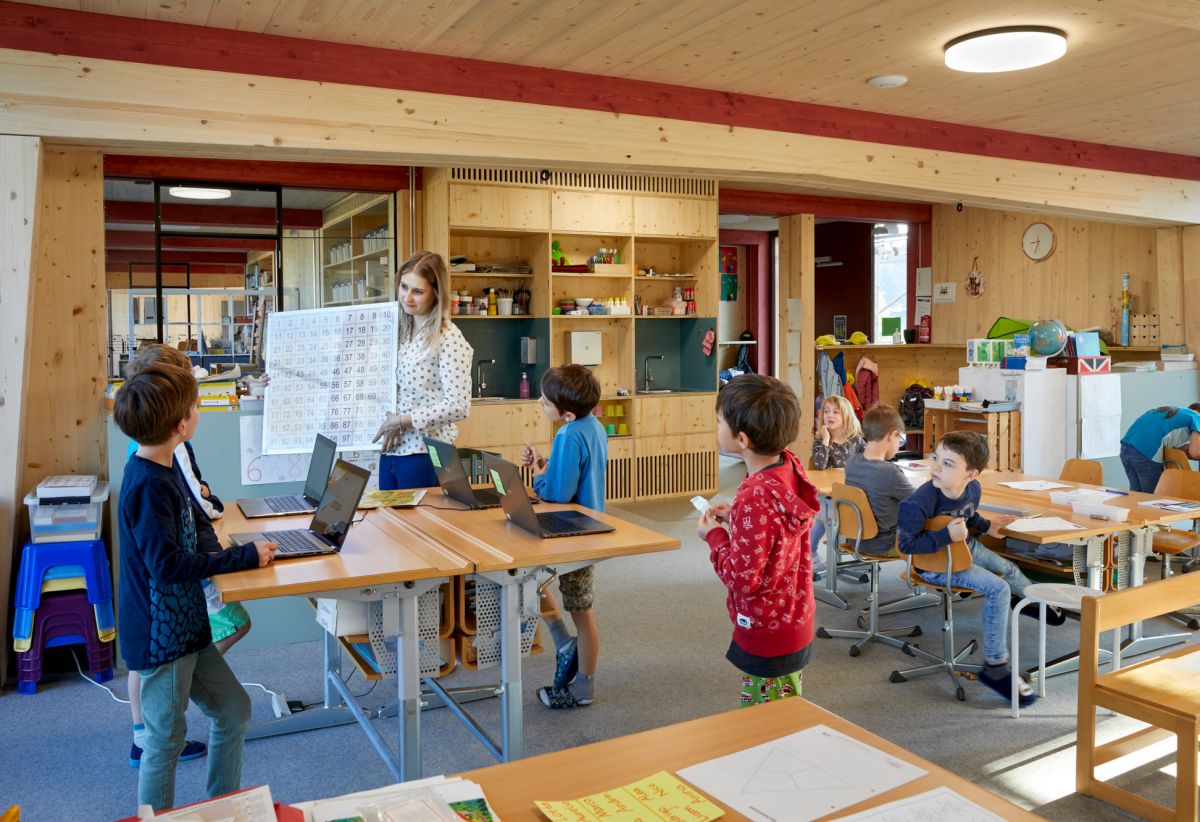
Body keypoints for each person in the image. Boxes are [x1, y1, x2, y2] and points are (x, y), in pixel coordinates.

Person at [114, 363, 277, 810]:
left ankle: (220, 807)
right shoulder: (146, 484)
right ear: (181, 424)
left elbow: (196, 524)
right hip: (162, 637)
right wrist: (242, 555)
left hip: (186, 628)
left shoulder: (164, 468)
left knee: (233, 710)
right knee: (165, 742)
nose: (198, 410)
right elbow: (167, 566)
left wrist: (229, 552)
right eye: (196, 405)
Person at [897, 432, 1061, 707]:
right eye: (937, 458)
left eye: (948, 464)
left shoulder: (973, 490)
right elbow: (905, 546)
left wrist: (988, 527)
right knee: (998, 588)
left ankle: (1036, 603)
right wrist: (946, 537)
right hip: (933, 564)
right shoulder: (919, 501)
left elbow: (969, 513)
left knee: (1008, 568)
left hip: (963, 548)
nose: (936, 467)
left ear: (970, 475)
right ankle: (996, 665)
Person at [698, 375, 820, 706]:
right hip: (793, 618)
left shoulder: (755, 494)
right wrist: (737, 519)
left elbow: (743, 578)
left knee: (766, 728)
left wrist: (715, 536)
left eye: (719, 421)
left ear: (742, 439)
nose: (716, 426)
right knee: (785, 712)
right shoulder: (788, 467)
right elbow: (777, 534)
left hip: (767, 627)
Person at [520, 365, 607, 709]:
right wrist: (544, 465)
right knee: (530, 577)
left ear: (567, 412)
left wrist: (539, 478)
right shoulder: (590, 426)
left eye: (545, 401)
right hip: (582, 524)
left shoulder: (568, 434)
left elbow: (557, 492)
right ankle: (563, 643)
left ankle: (584, 686)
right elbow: (567, 475)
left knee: (581, 611)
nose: (540, 402)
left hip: (575, 532)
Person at [373, 251, 473, 490]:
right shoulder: (398, 333)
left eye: (417, 291)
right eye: (404, 287)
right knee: (389, 527)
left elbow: (459, 405)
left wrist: (403, 421)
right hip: (392, 452)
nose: (407, 297)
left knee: (419, 527)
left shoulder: (448, 337)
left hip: (427, 455)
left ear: (436, 294)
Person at [844, 404, 915, 557]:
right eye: (900, 439)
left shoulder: (851, 463)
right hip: (886, 544)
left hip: (855, 538)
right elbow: (918, 502)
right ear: (892, 435)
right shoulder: (890, 472)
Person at [809, 395, 865, 576]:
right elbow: (819, 465)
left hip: (852, 491)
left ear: (846, 417)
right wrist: (825, 441)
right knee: (825, 513)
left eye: (835, 412)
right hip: (827, 493)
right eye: (826, 411)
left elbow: (869, 460)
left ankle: (859, 550)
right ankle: (809, 551)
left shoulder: (855, 441)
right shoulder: (820, 441)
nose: (829, 415)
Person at [1119, 404, 1200, 493]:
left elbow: (1178, 446)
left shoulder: (1178, 412)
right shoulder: (1197, 418)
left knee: (1136, 494)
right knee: (1152, 498)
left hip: (1126, 447)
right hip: (1147, 451)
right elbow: (1195, 453)